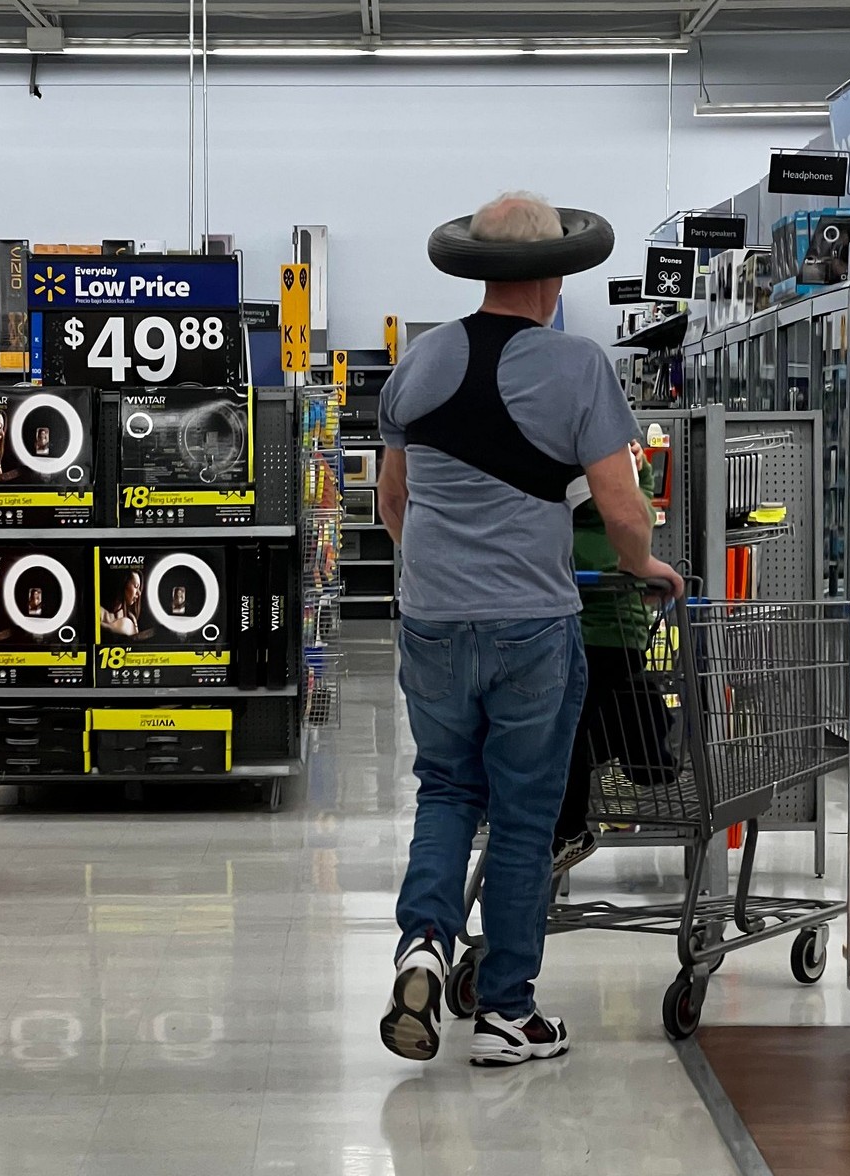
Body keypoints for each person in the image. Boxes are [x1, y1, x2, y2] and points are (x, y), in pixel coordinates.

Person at [377, 192, 683, 1069]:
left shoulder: (417, 361)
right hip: (531, 629)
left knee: (445, 791)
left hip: (431, 621)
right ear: (554, 274)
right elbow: (623, 512)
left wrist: (437, 575)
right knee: (520, 817)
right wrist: (642, 568)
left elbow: (393, 502)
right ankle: (508, 1012)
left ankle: (423, 947)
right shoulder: (578, 366)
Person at [553, 441, 675, 873]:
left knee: (566, 730)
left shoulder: (565, 485)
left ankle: (566, 829)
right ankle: (647, 753)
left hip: (587, 629)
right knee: (576, 726)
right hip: (612, 630)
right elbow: (633, 517)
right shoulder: (619, 466)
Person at [101, 571, 145, 638]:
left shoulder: (131, 618)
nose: (139, 593)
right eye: (136, 586)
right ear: (123, 584)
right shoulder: (98, 611)